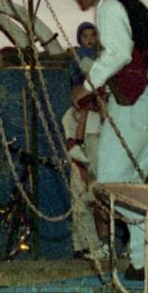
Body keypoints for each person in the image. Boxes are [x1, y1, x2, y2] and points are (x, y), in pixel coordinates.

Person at [68, 0, 148, 278]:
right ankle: (142, 261)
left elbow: (119, 53)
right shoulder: (132, 3)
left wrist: (86, 87)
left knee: (108, 187)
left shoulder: (109, 6)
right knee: (133, 187)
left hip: (133, 105)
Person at [64, 23, 107, 264]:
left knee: (89, 198)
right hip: (83, 152)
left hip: (92, 146)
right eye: (86, 37)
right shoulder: (83, 60)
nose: (90, 40)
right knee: (83, 197)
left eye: (93, 36)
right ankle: (84, 243)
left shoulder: (95, 113)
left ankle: (91, 242)